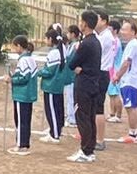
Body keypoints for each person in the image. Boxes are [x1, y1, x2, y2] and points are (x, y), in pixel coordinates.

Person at [67, 11, 106, 164]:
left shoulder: (86, 43)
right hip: (93, 84)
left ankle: (85, 150)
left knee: (83, 118)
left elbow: (72, 63)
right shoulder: (96, 41)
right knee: (90, 118)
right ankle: (89, 149)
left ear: (85, 23)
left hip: (84, 85)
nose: (80, 24)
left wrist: (79, 66)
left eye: (81, 21)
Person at [112, 18, 137, 145]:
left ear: (133, 32)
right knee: (129, 107)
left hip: (130, 81)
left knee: (131, 107)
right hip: (128, 81)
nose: (122, 32)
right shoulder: (130, 44)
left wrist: (117, 76)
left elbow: (126, 63)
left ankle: (133, 134)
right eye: (122, 29)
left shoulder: (133, 45)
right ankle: (132, 132)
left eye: (125, 29)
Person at [39, 25, 72, 142]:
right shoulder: (61, 49)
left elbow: (49, 71)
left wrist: (38, 72)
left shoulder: (54, 52)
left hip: (51, 85)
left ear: (50, 39)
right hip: (57, 85)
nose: (45, 40)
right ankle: (56, 130)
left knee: (51, 110)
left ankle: (54, 134)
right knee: (57, 109)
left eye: (46, 38)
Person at [7, 35, 39, 154]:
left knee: (21, 121)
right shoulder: (30, 59)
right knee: (25, 120)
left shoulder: (24, 60)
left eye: (15, 46)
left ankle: (21, 145)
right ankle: (24, 143)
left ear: (19, 46)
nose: (14, 49)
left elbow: (24, 78)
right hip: (27, 95)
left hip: (22, 94)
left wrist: (11, 80)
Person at [97, 14, 121, 126]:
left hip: (112, 69)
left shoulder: (113, 40)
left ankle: (117, 115)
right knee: (111, 94)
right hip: (110, 69)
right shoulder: (111, 38)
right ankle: (112, 113)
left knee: (115, 93)